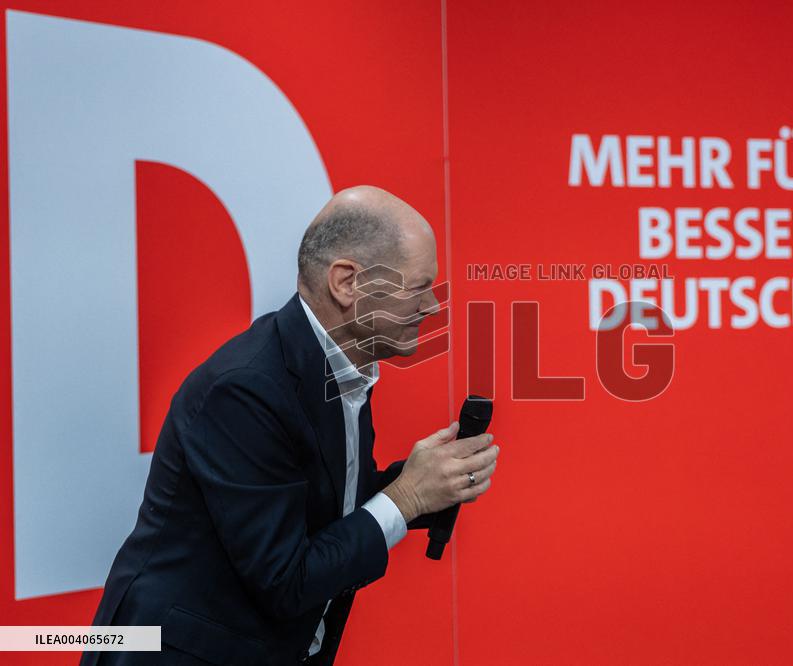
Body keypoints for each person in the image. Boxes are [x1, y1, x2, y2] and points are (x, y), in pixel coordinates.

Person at [81, 186, 500, 665]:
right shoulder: (244, 391)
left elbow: (319, 517)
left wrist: (425, 486)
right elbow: (287, 581)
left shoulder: (341, 369)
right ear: (347, 283)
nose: (431, 307)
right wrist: (405, 498)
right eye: (417, 288)